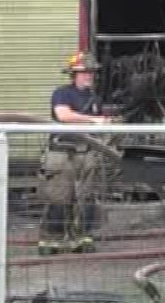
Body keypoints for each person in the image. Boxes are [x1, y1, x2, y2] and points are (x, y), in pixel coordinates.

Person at [39, 51, 112, 254]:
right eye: (84, 72)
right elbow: (64, 115)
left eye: (91, 72)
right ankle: (51, 240)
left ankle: (82, 237)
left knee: (86, 197)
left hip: (87, 152)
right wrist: (94, 120)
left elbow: (95, 124)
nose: (89, 75)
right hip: (61, 153)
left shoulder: (94, 98)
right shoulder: (62, 93)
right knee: (59, 196)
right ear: (74, 74)